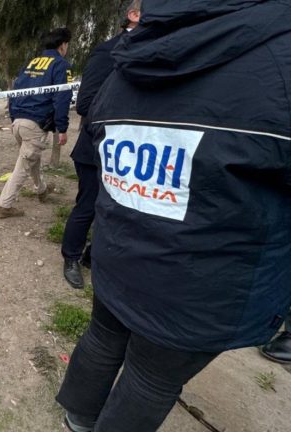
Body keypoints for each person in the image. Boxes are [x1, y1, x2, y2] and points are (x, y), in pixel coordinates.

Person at [56, 1, 291, 431]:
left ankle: (77, 416)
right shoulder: (277, 58)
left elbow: (97, 126)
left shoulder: (128, 58)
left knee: (104, 336)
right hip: (203, 281)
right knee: (151, 374)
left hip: (120, 251)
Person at [62, 0, 142, 289]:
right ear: (133, 15)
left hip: (132, 152)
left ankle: (91, 256)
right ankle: (70, 258)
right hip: (96, 149)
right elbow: (84, 103)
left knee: (119, 209)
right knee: (89, 206)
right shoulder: (108, 52)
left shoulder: (155, 53)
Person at [0, 28, 72, 219]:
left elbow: (15, 92)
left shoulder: (30, 63)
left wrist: (14, 118)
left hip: (18, 122)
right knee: (23, 166)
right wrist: (62, 128)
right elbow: (63, 98)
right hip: (35, 123)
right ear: (62, 45)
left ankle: (42, 190)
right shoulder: (61, 65)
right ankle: (5, 205)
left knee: (32, 160)